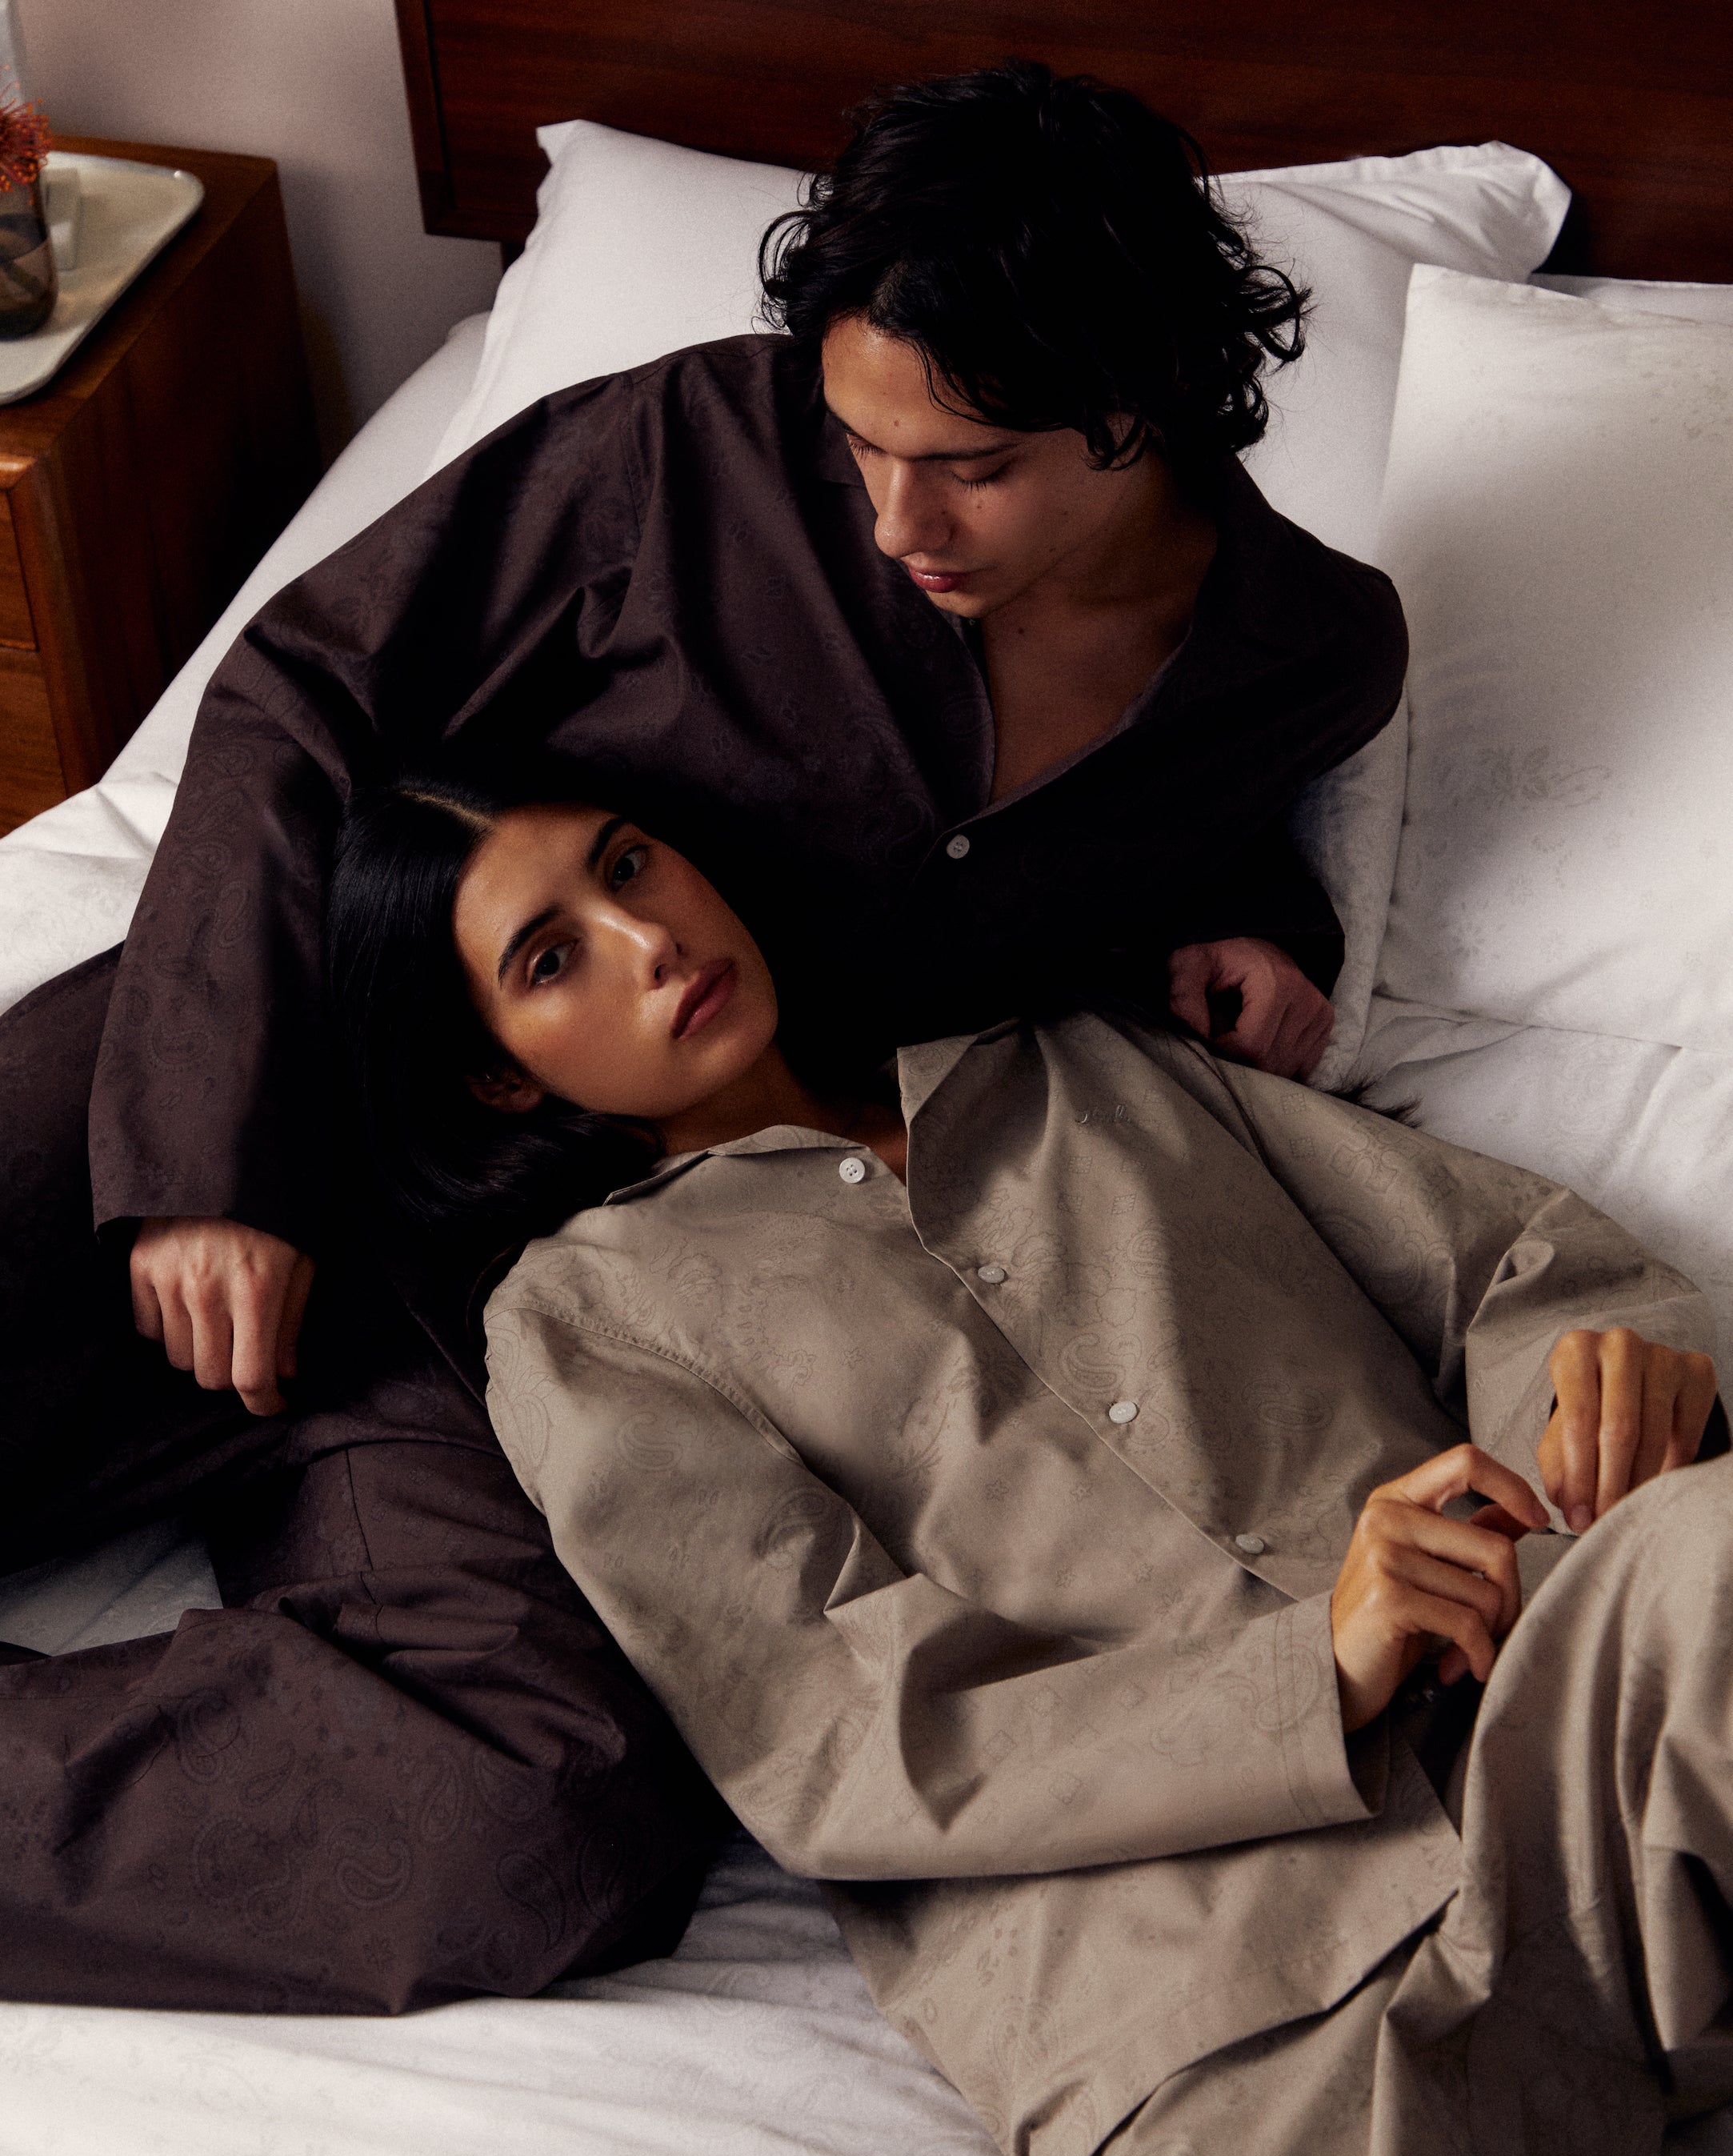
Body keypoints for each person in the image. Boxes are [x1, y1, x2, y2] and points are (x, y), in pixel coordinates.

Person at [0, 61, 1404, 2011]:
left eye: (973, 464)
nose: (897, 517)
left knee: (542, 1815)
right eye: (861, 442)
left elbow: (1135, 834)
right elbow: (303, 690)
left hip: (535, 1305)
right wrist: (202, 1153)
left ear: (1144, 399)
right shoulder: (687, 461)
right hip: (242, 1080)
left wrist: (1260, 922)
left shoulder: (1301, 659)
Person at [329, 767, 1731, 2156]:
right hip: (1227, 2012)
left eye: (629, 865)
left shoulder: (1079, 1064)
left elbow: (1504, 1264)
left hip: (1555, 1727)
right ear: (500, 1072)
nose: (648, 942)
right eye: (551, 959)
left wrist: (1587, 1403)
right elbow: (832, 1738)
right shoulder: (583, 1324)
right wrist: (1313, 1671)